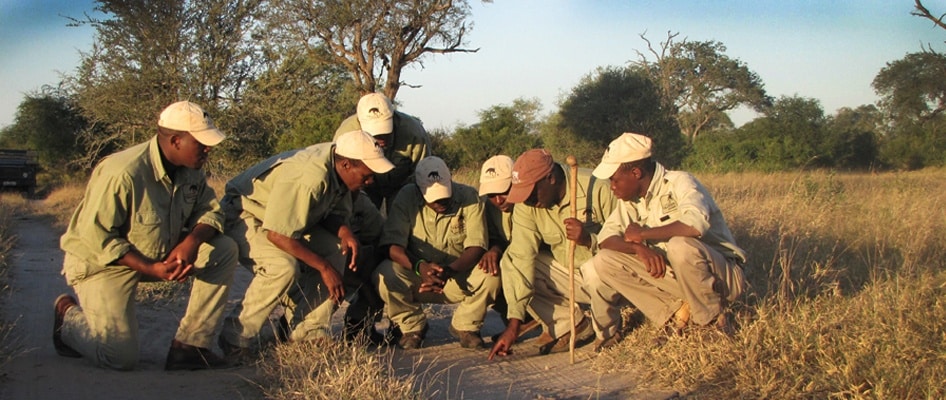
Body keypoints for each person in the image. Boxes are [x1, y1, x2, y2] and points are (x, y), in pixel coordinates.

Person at [54, 101, 239, 371]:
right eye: (201, 143)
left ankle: (190, 347)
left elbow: (211, 211)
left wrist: (192, 241)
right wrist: (150, 267)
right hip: (103, 265)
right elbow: (96, 237)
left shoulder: (192, 170)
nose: (208, 149)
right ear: (176, 140)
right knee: (118, 357)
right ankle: (67, 320)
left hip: (157, 255)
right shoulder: (123, 173)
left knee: (223, 249)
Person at [218, 130, 394, 357]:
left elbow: (330, 214)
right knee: (281, 267)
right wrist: (324, 268)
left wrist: (344, 233)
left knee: (336, 251)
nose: (369, 182)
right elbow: (278, 234)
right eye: (366, 176)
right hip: (247, 212)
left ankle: (308, 331)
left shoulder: (341, 171)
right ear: (347, 165)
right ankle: (236, 337)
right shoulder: (310, 177)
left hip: (286, 219)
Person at [588, 133, 747, 349]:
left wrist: (644, 234)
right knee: (604, 260)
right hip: (679, 279)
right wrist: (638, 249)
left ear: (636, 173)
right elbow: (606, 239)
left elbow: (694, 225)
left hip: (720, 277)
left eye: (615, 180)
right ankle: (674, 315)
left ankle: (709, 320)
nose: (612, 186)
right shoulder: (630, 201)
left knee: (680, 245)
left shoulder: (680, 182)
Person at [488, 149, 621, 360]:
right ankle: (570, 324)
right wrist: (514, 325)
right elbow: (521, 257)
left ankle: (608, 330)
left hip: (611, 277)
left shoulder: (597, 187)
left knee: (593, 267)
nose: (527, 200)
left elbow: (627, 241)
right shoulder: (527, 204)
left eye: (531, 193)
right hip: (574, 277)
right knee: (511, 263)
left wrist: (589, 240)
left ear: (550, 178)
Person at [373, 156, 500, 349]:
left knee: (492, 275)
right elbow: (392, 245)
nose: (441, 202)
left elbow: (477, 245)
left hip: (457, 276)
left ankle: (466, 326)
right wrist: (419, 267)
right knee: (385, 274)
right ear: (418, 190)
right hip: (420, 278)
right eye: (434, 199)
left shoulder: (469, 196)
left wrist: (449, 270)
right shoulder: (406, 197)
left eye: (445, 196)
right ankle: (412, 326)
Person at [477, 155, 540, 338]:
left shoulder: (532, 203)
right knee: (489, 267)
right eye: (491, 195)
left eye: (503, 191)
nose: (498, 200)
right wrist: (494, 249)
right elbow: (495, 237)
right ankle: (521, 319)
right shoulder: (488, 208)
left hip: (535, 260)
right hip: (512, 259)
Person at [334, 92, 431, 209]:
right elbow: (340, 176)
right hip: (364, 187)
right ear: (359, 122)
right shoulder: (346, 134)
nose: (380, 138)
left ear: (393, 118)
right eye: (374, 134)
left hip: (402, 185)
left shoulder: (414, 133)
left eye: (385, 132)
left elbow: (423, 172)